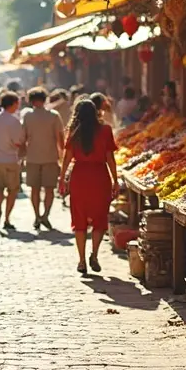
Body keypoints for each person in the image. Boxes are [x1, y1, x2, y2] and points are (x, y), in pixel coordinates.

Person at [59, 99, 118, 275]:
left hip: (79, 177)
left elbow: (67, 158)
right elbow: (110, 159)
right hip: (100, 177)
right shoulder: (105, 130)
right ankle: (94, 254)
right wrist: (115, 180)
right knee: (100, 218)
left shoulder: (74, 132)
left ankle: (82, 260)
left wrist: (62, 179)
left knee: (79, 220)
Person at [22, 87, 65, 230]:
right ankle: (46, 214)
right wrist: (62, 155)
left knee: (34, 189)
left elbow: (24, 137)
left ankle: (37, 215)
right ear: (45, 99)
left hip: (33, 156)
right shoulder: (54, 115)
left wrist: (21, 156)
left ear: (31, 100)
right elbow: (60, 138)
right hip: (50, 156)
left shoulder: (27, 116)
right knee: (49, 189)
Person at [0, 92, 25, 230]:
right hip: (11, 159)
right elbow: (18, 142)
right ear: (13, 104)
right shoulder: (14, 121)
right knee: (12, 190)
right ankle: (7, 218)